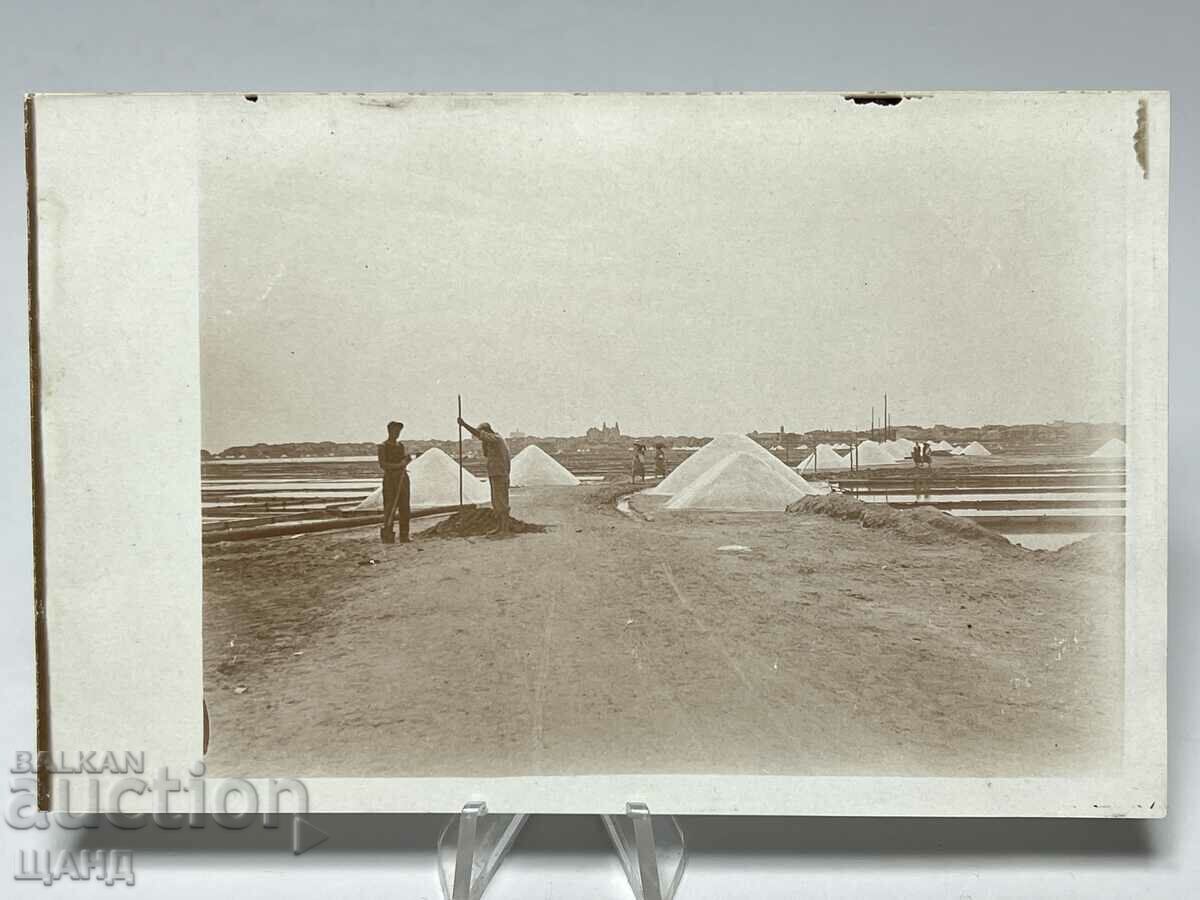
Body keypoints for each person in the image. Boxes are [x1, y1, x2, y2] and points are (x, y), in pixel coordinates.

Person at [458, 417, 512, 535]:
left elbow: (479, 434)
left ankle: (504, 528)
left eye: (482, 436)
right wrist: (484, 444)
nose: (481, 439)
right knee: (496, 501)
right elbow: (486, 454)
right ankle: (500, 527)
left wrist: (464, 424)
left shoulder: (496, 438)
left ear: (487, 431)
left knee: (501, 501)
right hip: (495, 473)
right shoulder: (492, 441)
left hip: (500, 474)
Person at [377, 420, 411, 543]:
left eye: (399, 431)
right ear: (389, 431)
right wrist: (399, 465)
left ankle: (404, 535)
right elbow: (383, 464)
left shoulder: (400, 446)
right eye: (395, 431)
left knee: (405, 508)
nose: (397, 434)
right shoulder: (383, 446)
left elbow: (403, 461)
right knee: (390, 507)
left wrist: (406, 460)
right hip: (390, 479)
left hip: (403, 479)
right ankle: (388, 533)